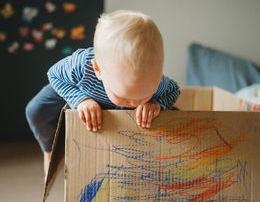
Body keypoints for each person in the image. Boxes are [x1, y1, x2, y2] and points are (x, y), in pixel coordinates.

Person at [25, 10, 180, 178]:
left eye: (144, 95)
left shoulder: (157, 82)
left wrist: (155, 103)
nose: (134, 104)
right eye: (125, 96)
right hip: (78, 87)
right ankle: (50, 149)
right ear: (98, 70)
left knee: (168, 116)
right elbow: (54, 74)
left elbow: (173, 91)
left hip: (111, 108)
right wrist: (81, 100)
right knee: (36, 110)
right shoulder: (81, 66)